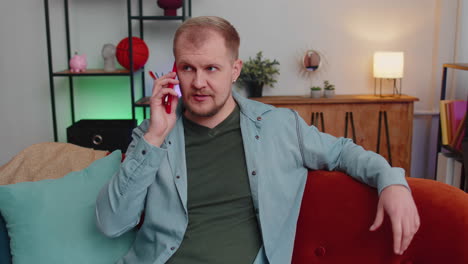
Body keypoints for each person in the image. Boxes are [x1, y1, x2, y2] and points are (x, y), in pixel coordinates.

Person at [95, 16, 420, 264]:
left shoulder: (279, 126)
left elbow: (342, 153)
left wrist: (391, 181)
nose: (198, 83)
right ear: (174, 72)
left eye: (211, 68)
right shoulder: (151, 134)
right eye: (187, 68)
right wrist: (154, 136)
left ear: (235, 70)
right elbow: (111, 224)